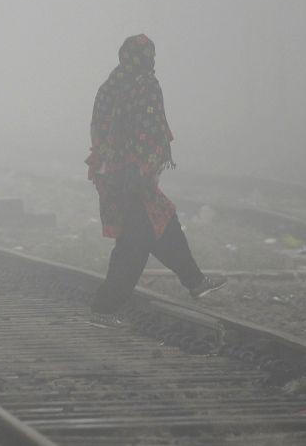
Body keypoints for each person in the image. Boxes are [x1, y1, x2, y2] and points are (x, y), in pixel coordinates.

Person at [84, 35, 226, 329]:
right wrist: (142, 167)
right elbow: (148, 131)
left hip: (113, 174)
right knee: (134, 243)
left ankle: (195, 281)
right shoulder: (145, 84)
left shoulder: (110, 86)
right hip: (135, 175)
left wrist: (108, 163)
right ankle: (104, 308)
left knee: (162, 222)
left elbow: (98, 129)